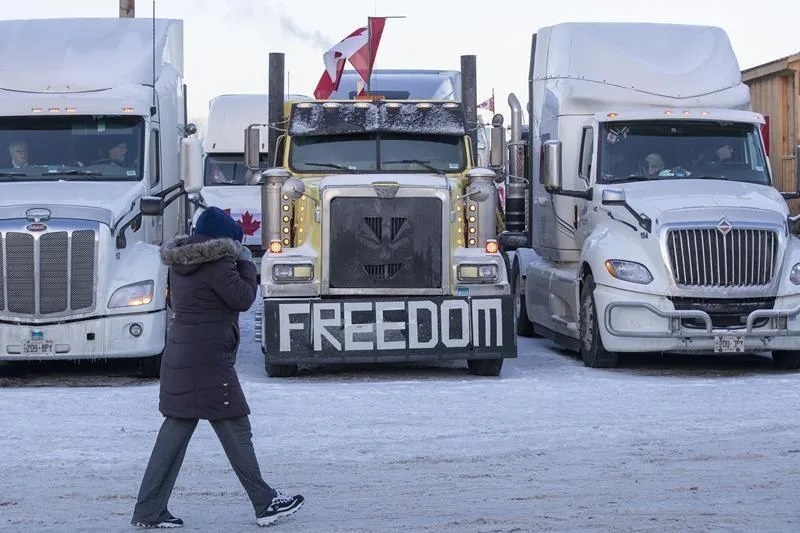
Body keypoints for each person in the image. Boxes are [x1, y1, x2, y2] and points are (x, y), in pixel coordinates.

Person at [131, 206, 304, 529]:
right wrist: (245, 262)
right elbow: (243, 298)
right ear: (227, 242)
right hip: (208, 362)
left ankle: (148, 510)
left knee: (175, 433)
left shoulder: (180, 263)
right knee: (236, 429)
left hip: (181, 357)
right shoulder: (219, 263)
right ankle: (265, 502)